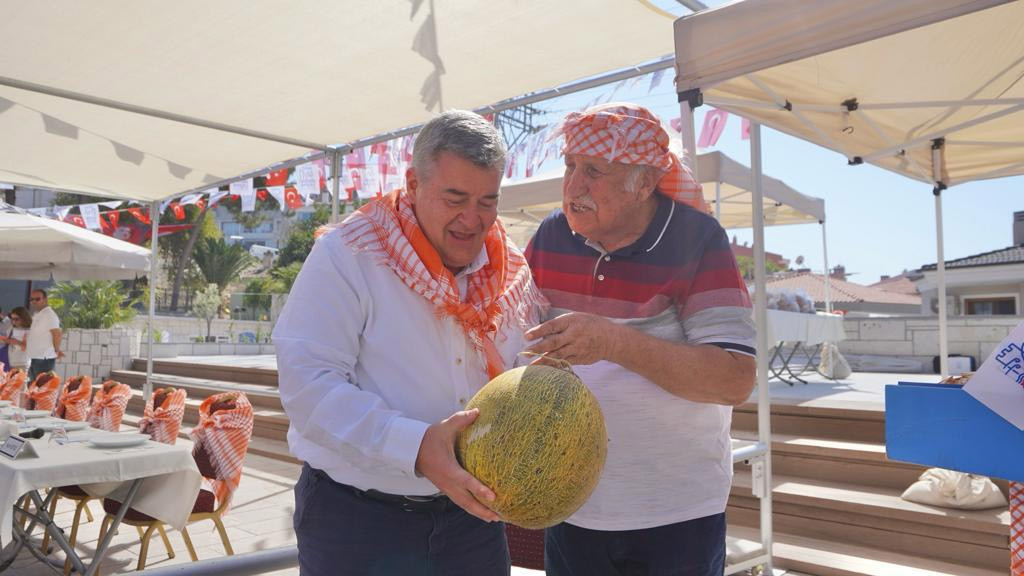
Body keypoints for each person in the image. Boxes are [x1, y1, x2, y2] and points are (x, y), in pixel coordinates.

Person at [273, 110, 544, 576]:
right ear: (414, 183)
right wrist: (415, 446)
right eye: (455, 198)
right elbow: (307, 385)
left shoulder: (511, 268)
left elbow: (519, 371)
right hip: (357, 520)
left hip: (470, 522)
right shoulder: (348, 254)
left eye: (487, 201)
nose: (472, 219)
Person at [523, 103, 757, 576]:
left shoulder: (697, 239)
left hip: (675, 514)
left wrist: (613, 343)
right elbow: (519, 349)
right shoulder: (550, 236)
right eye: (569, 166)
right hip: (572, 504)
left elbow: (733, 379)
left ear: (645, 182)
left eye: (593, 171)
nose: (573, 187)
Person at [27, 289, 62, 381]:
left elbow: (57, 333)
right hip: (36, 357)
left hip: (44, 359)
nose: (34, 301)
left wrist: (56, 350)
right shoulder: (39, 314)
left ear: (45, 299)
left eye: (37, 299)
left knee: (42, 389)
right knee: (33, 388)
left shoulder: (49, 315)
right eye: (31, 299)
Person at [2, 307, 32, 373]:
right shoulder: (11, 328)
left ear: (24, 318)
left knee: (19, 383)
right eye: (12, 319)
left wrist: (17, 342)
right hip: (8, 363)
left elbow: (28, 348)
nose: (14, 321)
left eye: (16, 319)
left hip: (22, 364)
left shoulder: (31, 331)